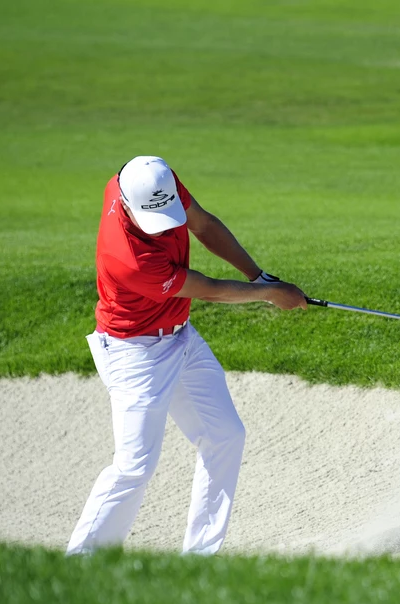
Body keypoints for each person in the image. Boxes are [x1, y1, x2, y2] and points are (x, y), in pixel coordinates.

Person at [66, 155, 307, 555]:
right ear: (125, 205)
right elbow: (208, 288)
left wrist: (258, 276)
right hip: (135, 354)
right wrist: (269, 295)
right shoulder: (129, 258)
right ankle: (77, 564)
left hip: (179, 335)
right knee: (134, 467)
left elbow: (204, 225)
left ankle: (198, 560)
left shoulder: (149, 180)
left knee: (225, 435)